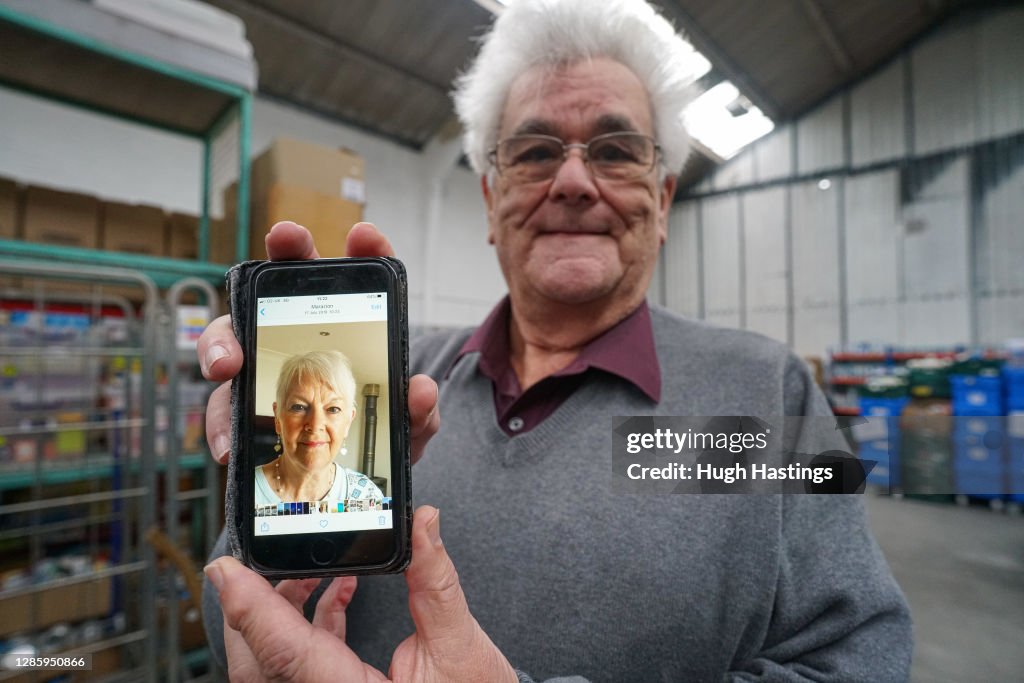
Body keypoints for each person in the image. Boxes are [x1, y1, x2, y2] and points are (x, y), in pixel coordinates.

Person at [199, 0, 913, 680]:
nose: (573, 180)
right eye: (536, 151)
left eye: (616, 149)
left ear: (662, 199)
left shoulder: (767, 390)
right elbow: (228, 604)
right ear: (490, 198)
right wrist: (256, 498)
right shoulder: (399, 382)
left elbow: (857, 658)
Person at [254, 350, 383, 506]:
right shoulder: (243, 489)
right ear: (278, 418)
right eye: (299, 407)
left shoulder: (367, 495)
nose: (315, 425)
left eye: (333, 409)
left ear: (348, 421)